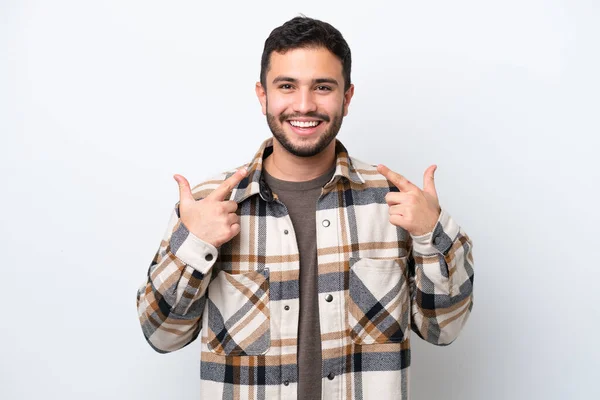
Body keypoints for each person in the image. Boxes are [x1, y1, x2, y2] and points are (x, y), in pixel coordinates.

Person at [136, 15, 474, 400]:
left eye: (323, 87)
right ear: (263, 95)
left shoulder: (396, 204)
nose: (304, 105)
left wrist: (433, 235)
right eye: (287, 86)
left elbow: (444, 330)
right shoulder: (208, 205)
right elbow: (162, 335)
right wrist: (194, 244)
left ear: (346, 98)